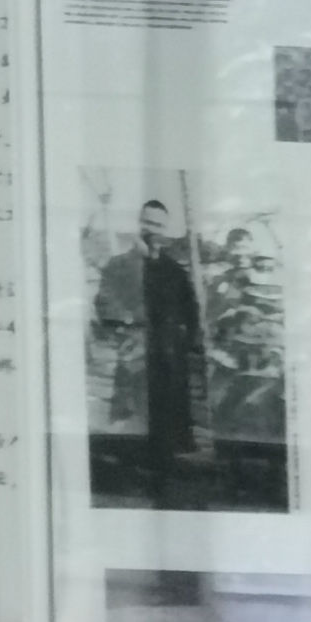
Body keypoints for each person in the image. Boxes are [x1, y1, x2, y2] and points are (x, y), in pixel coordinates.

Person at [94, 197, 204, 491]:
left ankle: (163, 478)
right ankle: (128, 478)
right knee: (134, 419)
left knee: (168, 423)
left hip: (168, 358)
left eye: (158, 225)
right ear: (138, 223)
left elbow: (191, 312)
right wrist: (127, 324)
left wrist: (187, 344)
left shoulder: (175, 271)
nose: (152, 229)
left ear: (165, 229)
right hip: (135, 354)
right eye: (147, 222)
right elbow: (105, 301)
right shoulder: (119, 265)